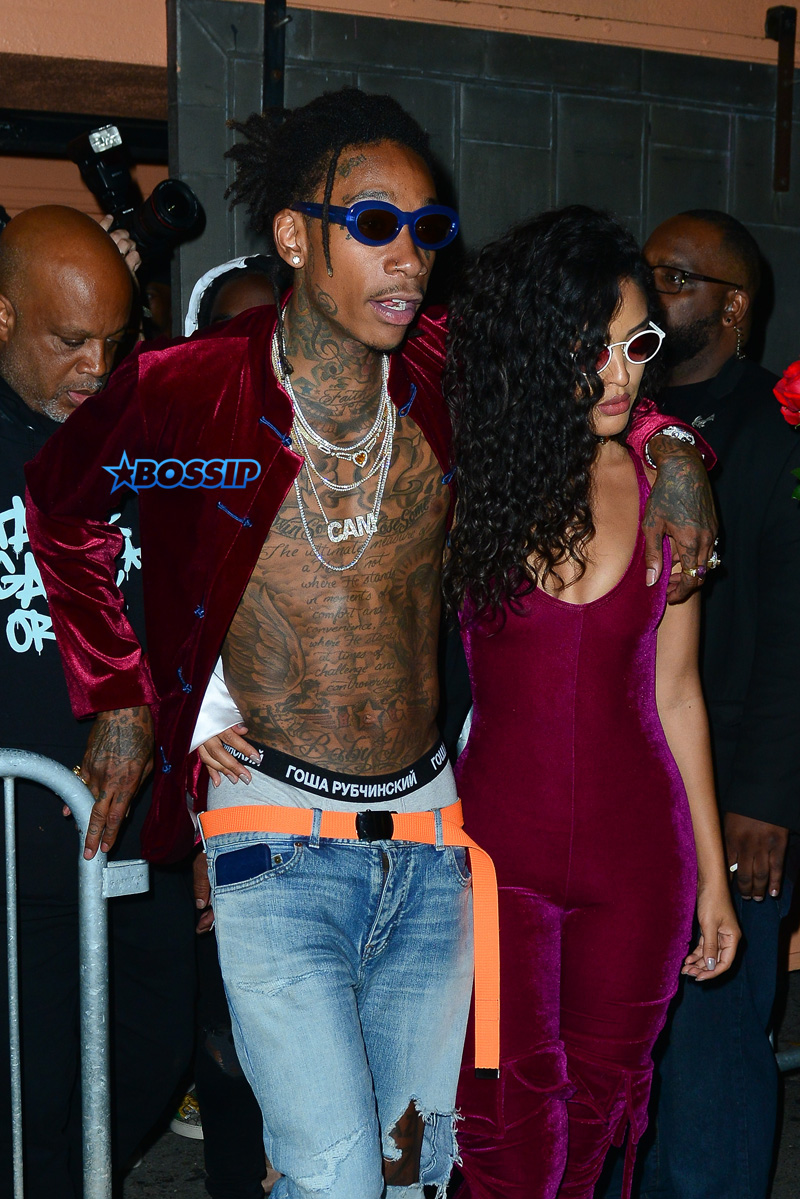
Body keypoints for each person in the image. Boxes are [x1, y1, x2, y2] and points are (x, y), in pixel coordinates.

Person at [25, 91, 716, 1199]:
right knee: (337, 1173)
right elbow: (64, 506)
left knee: (414, 1169)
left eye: (428, 229)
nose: (409, 257)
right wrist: (124, 694)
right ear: (295, 237)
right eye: (375, 224)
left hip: (433, 837)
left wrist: (672, 444)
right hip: (274, 836)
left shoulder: (443, 369)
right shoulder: (188, 390)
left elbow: (579, 368)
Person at [444, 206, 739, 1199]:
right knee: (503, 1130)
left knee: (600, 1123)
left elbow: (678, 695)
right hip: (496, 866)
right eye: (590, 347)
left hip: (640, 866)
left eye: (635, 345)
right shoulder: (470, 479)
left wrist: (712, 881)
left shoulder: (666, 493)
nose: (619, 375)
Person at [600, 211, 800, 1199]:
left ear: (733, 306)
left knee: (712, 1053)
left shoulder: (774, 429)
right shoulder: (615, 414)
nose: (652, 288)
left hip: (727, 791)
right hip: (618, 782)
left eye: (675, 277)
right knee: (624, 1045)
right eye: (646, 271)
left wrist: (761, 797)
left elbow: (794, 627)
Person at [0, 205, 194, 1196]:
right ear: (2, 316)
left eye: (113, 342)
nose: (94, 366)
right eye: (69, 339)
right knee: (34, 1098)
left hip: (141, 836)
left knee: (156, 1049)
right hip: (17, 849)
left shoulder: (144, 436)